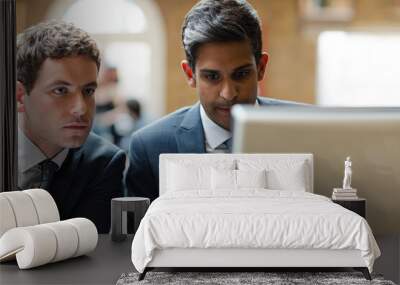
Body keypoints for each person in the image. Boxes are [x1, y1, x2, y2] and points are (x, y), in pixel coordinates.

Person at [125, 0, 301, 201]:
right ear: (190, 74)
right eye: (212, 77)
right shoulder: (150, 148)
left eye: (241, 74)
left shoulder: (307, 131)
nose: (228, 93)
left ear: (261, 68)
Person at [16, 21, 125, 233]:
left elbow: (90, 251)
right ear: (20, 97)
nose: (80, 108)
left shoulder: (104, 163)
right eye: (60, 91)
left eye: (88, 91)